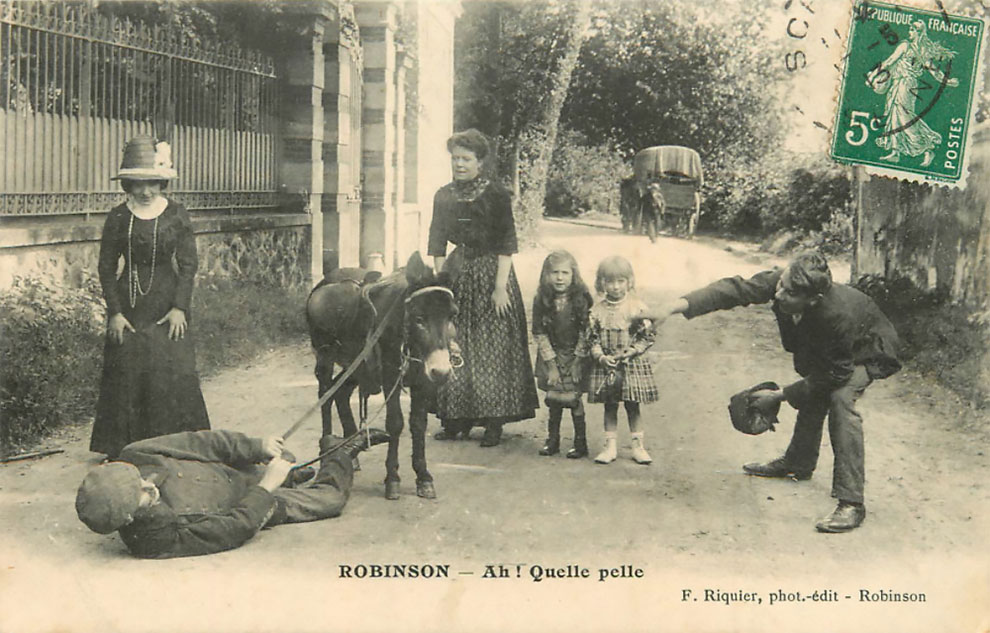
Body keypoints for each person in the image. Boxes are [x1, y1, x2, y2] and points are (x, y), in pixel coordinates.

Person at [656, 251, 901, 532]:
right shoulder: (783, 283)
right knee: (815, 387)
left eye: (789, 292)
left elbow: (836, 373)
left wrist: (780, 395)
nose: (779, 293)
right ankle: (798, 463)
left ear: (812, 299)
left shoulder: (836, 314)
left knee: (840, 397)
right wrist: (674, 306)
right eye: (780, 285)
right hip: (836, 350)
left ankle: (852, 503)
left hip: (869, 350)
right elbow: (734, 290)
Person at [75, 427, 389, 559]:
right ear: (129, 518)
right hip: (251, 506)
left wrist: (255, 446)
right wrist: (267, 487)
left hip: (235, 471)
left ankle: (296, 473)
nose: (149, 485)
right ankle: (340, 451)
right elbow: (233, 528)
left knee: (286, 460)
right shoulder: (153, 540)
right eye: (142, 495)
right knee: (329, 500)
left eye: (139, 478)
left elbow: (203, 442)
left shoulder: (134, 453)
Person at [90, 136, 210, 459]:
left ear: (162, 182)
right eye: (138, 184)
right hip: (129, 304)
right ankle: (124, 444)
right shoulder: (118, 217)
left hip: (167, 302)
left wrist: (180, 308)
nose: (146, 191)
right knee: (127, 365)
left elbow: (188, 264)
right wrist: (114, 312)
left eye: (153, 183)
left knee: (170, 365)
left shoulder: (176, 214)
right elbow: (105, 267)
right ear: (128, 184)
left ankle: (177, 442)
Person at [427, 129, 539, 447]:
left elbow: (507, 244)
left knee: (492, 347)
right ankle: (454, 420)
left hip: (493, 272)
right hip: (457, 270)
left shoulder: (496, 194)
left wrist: (500, 288)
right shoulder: (443, 195)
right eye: (455, 159)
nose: (459, 165)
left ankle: (493, 422)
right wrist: (441, 283)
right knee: (454, 340)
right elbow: (436, 242)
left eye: (466, 159)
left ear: (480, 161)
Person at [586, 256, 659, 465]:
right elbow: (591, 338)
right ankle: (609, 447)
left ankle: (638, 447)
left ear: (629, 281)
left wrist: (633, 350)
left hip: (631, 365)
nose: (615, 287)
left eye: (620, 281)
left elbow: (648, 336)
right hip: (608, 365)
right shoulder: (597, 311)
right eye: (610, 281)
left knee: (632, 405)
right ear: (601, 283)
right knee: (610, 405)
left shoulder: (637, 307)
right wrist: (600, 356)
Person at [867, 20, 958, 167]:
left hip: (905, 84)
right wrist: (947, 81)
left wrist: (872, 76)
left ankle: (927, 148)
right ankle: (895, 152)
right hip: (901, 83)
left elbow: (889, 61)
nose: (909, 32)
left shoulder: (908, 47)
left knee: (904, 116)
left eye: (911, 30)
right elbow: (935, 72)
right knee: (894, 114)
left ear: (918, 32)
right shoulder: (919, 50)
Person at [532, 250, 594, 458]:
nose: (559, 278)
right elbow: (539, 332)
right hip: (552, 354)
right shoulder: (541, 299)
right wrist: (551, 365)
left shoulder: (581, 299)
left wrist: (577, 361)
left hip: (576, 354)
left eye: (565, 273)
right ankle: (553, 440)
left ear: (573, 275)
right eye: (554, 272)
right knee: (554, 400)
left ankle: (580, 443)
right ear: (546, 275)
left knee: (574, 399)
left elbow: (587, 332)